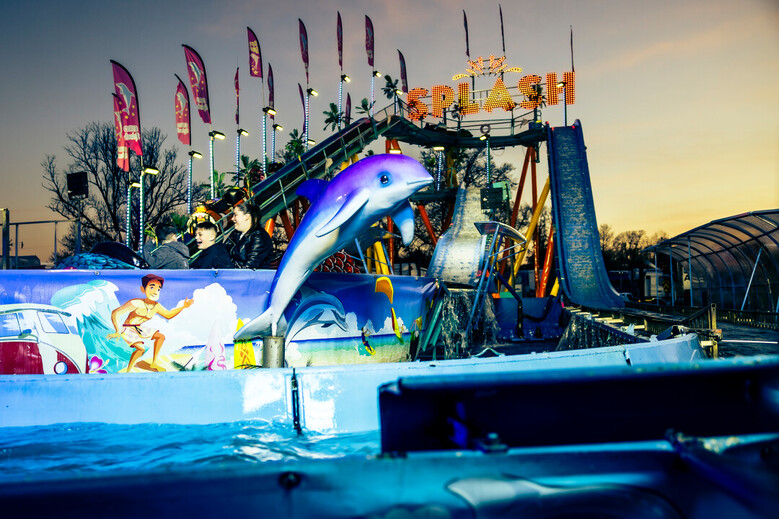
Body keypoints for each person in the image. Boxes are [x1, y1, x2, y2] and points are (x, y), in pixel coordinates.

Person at [107, 274, 193, 372]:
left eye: (158, 289)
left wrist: (183, 307)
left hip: (139, 328)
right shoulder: (136, 302)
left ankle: (154, 363)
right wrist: (117, 331)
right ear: (143, 289)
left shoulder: (156, 306)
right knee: (141, 349)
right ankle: (128, 370)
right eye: (152, 287)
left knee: (160, 336)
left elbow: (168, 315)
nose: (155, 291)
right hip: (128, 328)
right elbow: (116, 313)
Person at [225, 202, 273, 269]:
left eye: (235, 215)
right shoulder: (235, 235)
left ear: (246, 216)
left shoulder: (259, 237)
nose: (232, 219)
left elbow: (250, 266)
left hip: (247, 275)